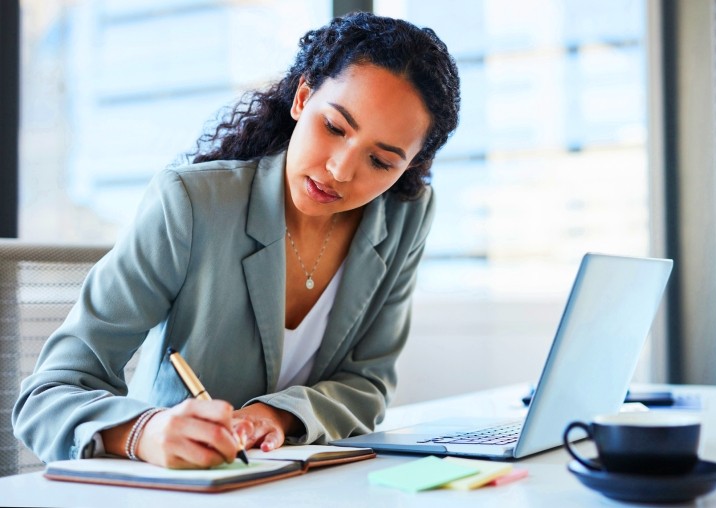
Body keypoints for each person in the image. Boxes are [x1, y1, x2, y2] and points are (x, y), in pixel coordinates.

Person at [13, 11, 460, 469]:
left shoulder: (406, 216)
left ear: (409, 166)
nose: (341, 171)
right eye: (334, 127)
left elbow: (367, 382)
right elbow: (47, 395)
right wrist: (144, 432)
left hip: (302, 489)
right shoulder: (191, 204)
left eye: (381, 161)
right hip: (177, 488)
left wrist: (278, 416)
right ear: (303, 99)